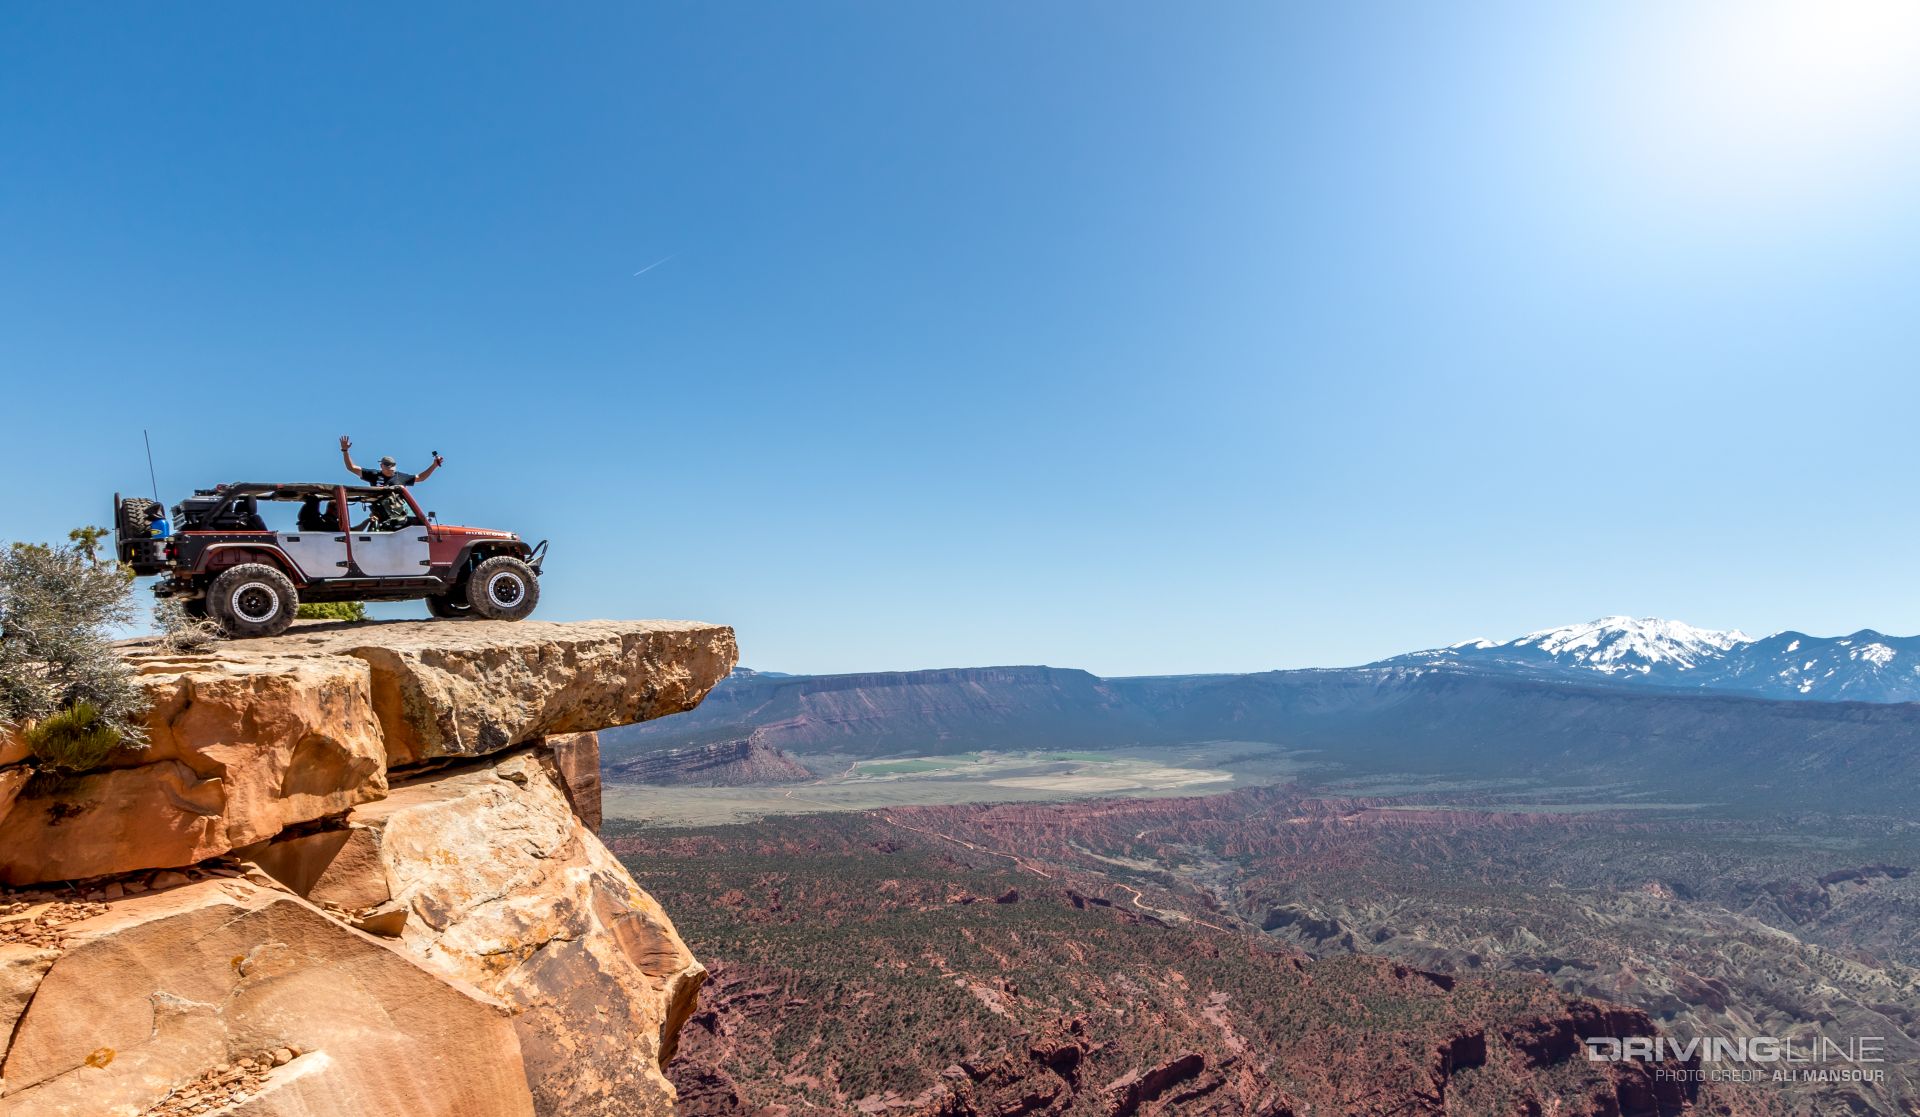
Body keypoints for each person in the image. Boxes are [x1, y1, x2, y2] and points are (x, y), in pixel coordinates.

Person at [339, 436, 444, 530]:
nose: (391, 470)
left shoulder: (400, 477)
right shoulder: (374, 475)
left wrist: (434, 465)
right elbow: (351, 468)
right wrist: (345, 451)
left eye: (392, 468)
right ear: (381, 466)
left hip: (401, 517)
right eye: (388, 467)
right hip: (381, 516)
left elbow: (420, 478)